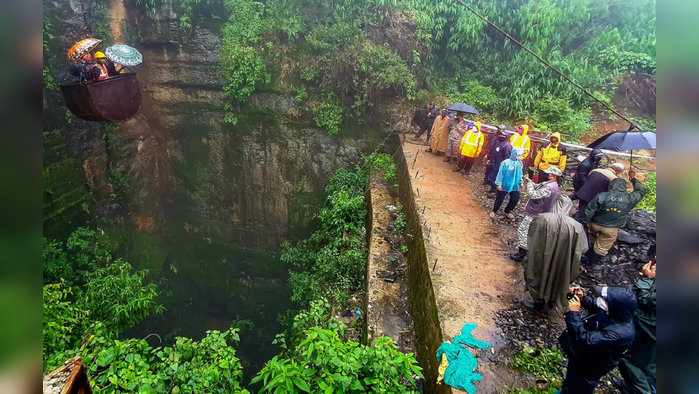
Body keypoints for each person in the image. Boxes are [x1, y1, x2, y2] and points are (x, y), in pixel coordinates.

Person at [558, 286, 637, 394]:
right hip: (583, 356)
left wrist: (573, 314)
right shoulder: (615, 312)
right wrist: (582, 297)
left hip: (591, 365)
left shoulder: (621, 333)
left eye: (606, 301)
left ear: (616, 306)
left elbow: (586, 339)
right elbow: (595, 304)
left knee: (579, 387)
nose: (602, 301)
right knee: (572, 378)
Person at [522, 212, 588, 315]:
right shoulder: (577, 226)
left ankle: (539, 305)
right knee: (559, 277)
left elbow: (532, 236)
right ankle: (552, 303)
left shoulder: (542, 218)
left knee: (540, 274)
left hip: (543, 255)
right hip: (563, 261)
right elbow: (582, 248)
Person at [581, 170, 646, 272]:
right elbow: (640, 191)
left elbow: (589, 210)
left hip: (595, 224)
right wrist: (633, 179)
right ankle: (592, 265)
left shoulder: (601, 195)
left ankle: (587, 254)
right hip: (611, 228)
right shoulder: (629, 198)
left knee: (592, 239)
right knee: (602, 246)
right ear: (624, 188)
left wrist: (584, 222)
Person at [613, 249, 656, 394]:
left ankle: (640, 390)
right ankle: (628, 387)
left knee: (635, 363)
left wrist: (647, 278)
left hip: (650, 332)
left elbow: (642, 298)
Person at [510, 167, 561, 262]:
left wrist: (529, 183)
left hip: (535, 213)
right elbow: (538, 188)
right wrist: (530, 181)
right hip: (538, 212)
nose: (547, 175)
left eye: (549, 174)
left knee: (523, 231)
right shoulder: (552, 185)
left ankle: (521, 254)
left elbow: (533, 195)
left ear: (554, 177)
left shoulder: (549, 187)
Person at [491, 148, 523, 218]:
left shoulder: (520, 163)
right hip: (505, 184)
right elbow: (500, 174)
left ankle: (508, 211)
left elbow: (520, 174)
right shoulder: (505, 163)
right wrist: (499, 183)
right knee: (499, 198)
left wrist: (521, 182)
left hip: (515, 185)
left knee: (515, 199)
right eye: (519, 155)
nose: (520, 157)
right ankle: (494, 210)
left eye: (521, 155)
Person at [484, 126, 513, 192]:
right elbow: (493, 152)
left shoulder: (507, 146)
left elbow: (507, 157)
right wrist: (489, 159)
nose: (501, 136)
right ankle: (492, 189)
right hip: (494, 163)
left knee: (497, 178)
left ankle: (494, 191)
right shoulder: (499, 143)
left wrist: (504, 166)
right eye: (501, 135)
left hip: (499, 165)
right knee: (492, 176)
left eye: (503, 135)